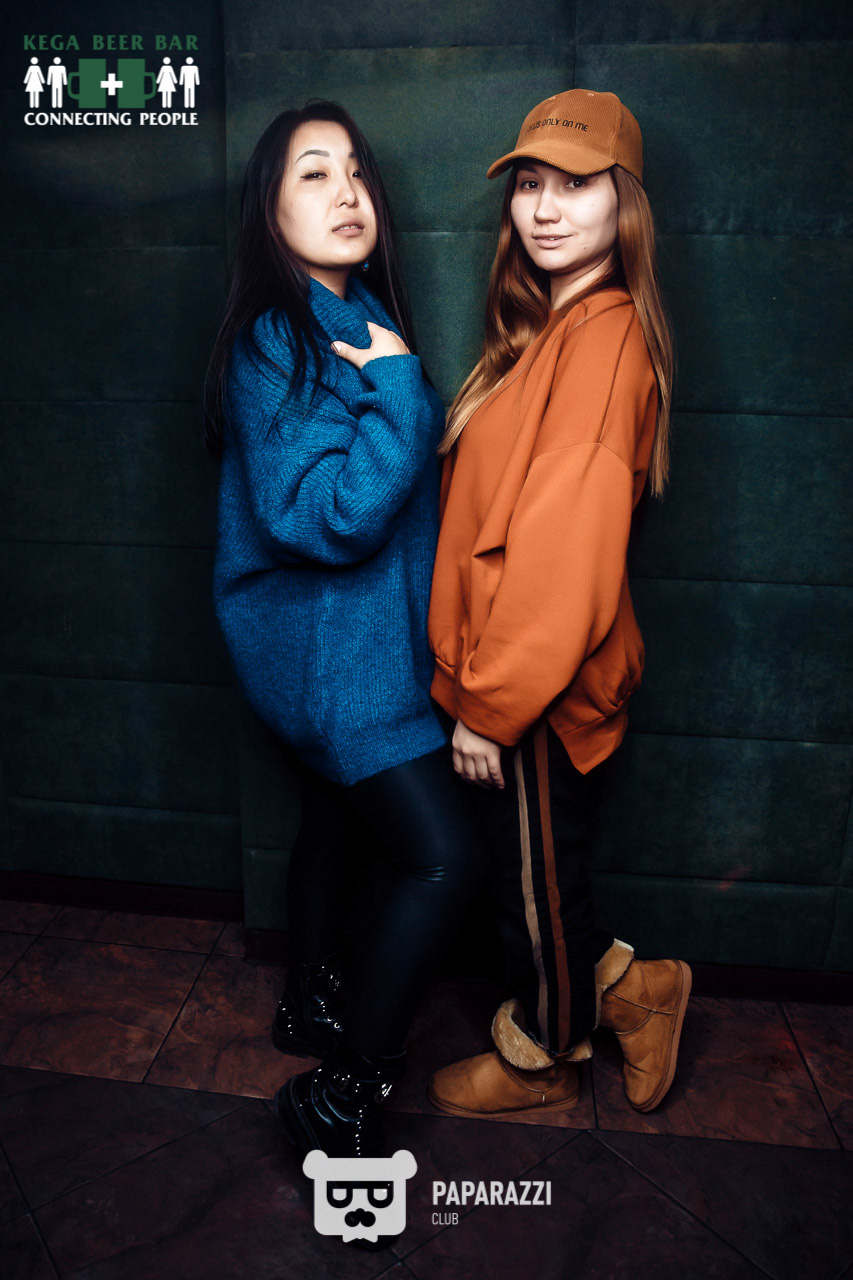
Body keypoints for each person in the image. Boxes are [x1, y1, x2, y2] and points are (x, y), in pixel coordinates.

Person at [203, 101, 484, 1159]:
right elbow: (326, 518)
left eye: (356, 170)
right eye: (314, 173)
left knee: (332, 822)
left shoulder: (350, 313)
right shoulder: (276, 338)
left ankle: (309, 1004)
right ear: (268, 210)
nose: (348, 191)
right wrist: (402, 384)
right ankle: (341, 1093)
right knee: (443, 859)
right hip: (331, 657)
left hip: (352, 644)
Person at [426, 88, 691, 1119]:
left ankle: (541, 1060)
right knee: (531, 878)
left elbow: (562, 557)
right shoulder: (552, 329)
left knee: (534, 892)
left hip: (535, 685)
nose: (543, 207)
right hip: (512, 671)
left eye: (575, 185)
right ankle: (636, 989)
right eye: (529, 183)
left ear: (623, 203)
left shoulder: (604, 338)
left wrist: (489, 705)